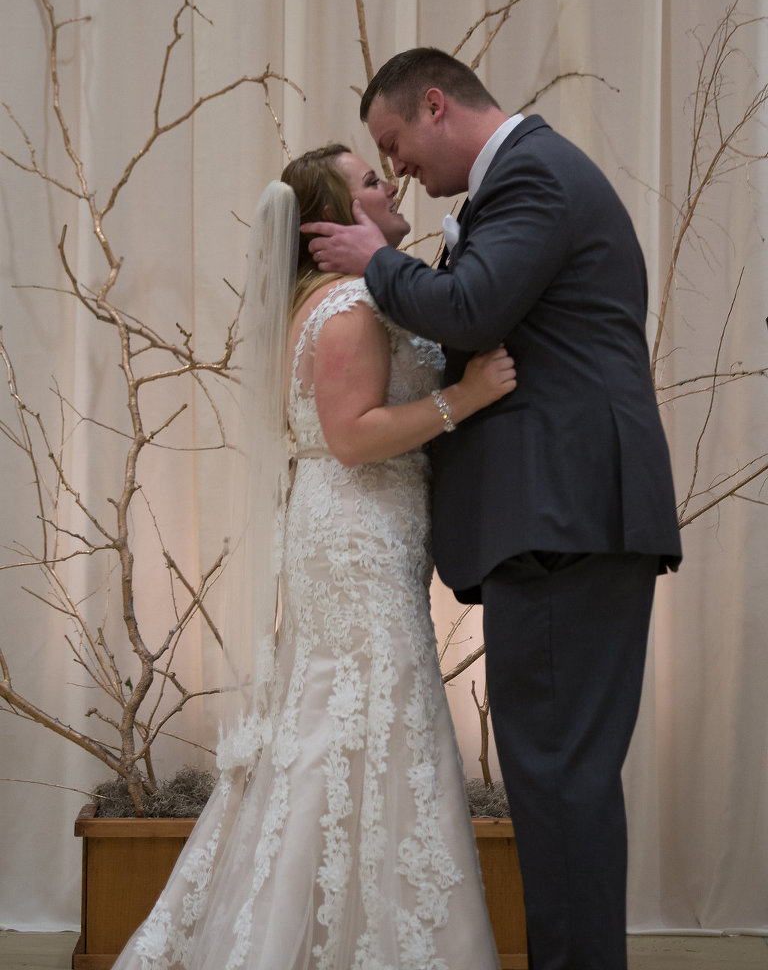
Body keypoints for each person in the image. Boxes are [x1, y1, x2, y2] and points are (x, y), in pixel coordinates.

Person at [302, 50, 683, 970]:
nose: (398, 173)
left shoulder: (533, 176)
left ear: (435, 105)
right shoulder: (523, 179)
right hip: (565, 520)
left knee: (557, 781)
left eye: (395, 145)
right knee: (564, 781)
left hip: (562, 521)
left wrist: (379, 257)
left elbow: (470, 310)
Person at [109, 142, 516, 970]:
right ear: (336, 222)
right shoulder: (351, 306)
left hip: (367, 531)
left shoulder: (351, 298)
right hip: (356, 534)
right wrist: (466, 396)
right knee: (356, 722)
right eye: (371, 179)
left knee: (348, 723)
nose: (389, 179)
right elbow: (350, 436)